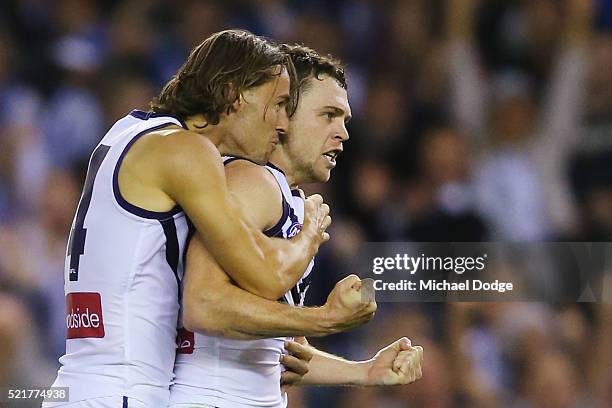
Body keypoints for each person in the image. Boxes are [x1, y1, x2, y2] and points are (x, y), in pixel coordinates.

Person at [44, 30, 331, 408]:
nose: (282, 123)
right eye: (277, 103)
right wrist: (310, 230)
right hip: (125, 393)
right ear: (234, 93)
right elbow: (264, 275)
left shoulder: (127, 132)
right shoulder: (186, 151)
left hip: (81, 384)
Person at [169, 44, 423, 408]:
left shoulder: (285, 196)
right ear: (283, 114)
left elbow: (278, 352)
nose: (343, 133)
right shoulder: (252, 181)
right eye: (328, 115)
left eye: (345, 120)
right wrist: (323, 319)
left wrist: (365, 372)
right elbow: (203, 304)